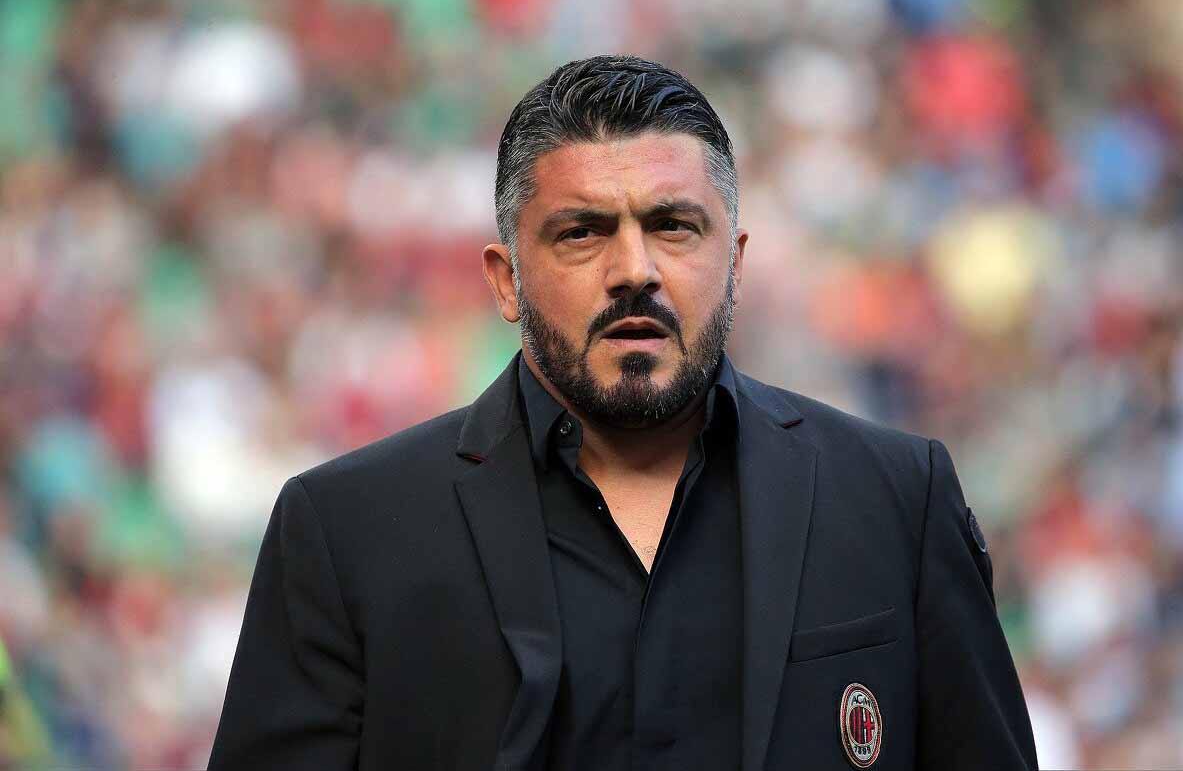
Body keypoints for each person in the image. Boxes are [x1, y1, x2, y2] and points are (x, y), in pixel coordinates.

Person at [208, 54, 1038, 771]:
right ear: (505, 279)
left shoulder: (895, 500)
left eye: (673, 226)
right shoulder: (347, 533)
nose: (634, 269)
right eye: (582, 232)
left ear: (736, 263)